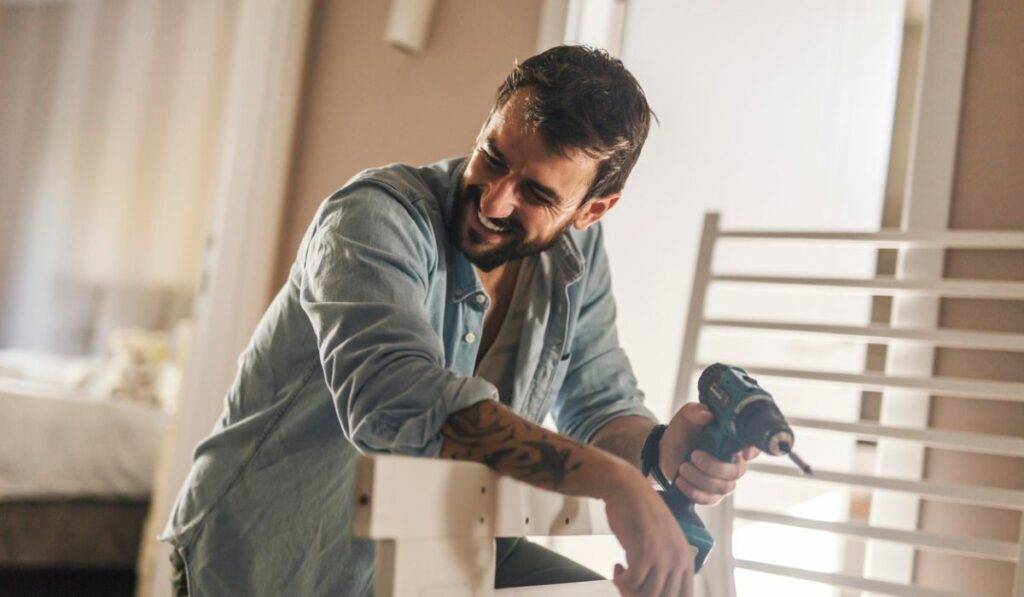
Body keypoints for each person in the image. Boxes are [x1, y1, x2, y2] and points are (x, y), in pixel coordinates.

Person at [161, 45, 757, 596]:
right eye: (492, 157)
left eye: (536, 193)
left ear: (592, 210)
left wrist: (658, 449)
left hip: (453, 549)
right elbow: (395, 401)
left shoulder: (578, 259)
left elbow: (599, 404)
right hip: (279, 566)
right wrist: (616, 483)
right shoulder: (371, 217)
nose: (494, 200)